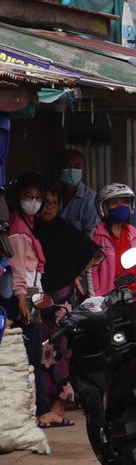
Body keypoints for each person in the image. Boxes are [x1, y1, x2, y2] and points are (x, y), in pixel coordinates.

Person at [5, 175, 49, 423]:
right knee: (30, 356)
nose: (33, 202)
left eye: (38, 197)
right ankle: (36, 411)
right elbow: (18, 269)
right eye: (28, 196)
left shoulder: (26, 224)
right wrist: (23, 300)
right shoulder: (19, 231)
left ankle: (36, 409)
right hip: (26, 295)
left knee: (33, 354)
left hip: (32, 292)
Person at [89, 184, 136, 297]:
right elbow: (91, 270)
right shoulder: (97, 234)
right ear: (104, 207)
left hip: (134, 296)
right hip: (109, 299)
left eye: (125, 201)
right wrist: (95, 299)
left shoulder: (134, 233)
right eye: (114, 203)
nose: (121, 206)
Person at [55, 149, 99, 239]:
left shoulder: (91, 200)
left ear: (84, 169)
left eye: (77, 166)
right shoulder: (53, 196)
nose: (72, 170)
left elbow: (91, 237)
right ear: (58, 169)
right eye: (67, 165)